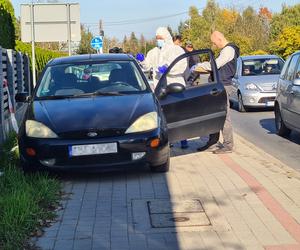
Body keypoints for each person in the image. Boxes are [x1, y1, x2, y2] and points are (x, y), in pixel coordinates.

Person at [192, 31, 240, 154]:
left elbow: (216, 65)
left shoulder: (228, 50)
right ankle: (213, 142)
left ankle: (228, 145)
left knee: (223, 117)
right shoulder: (225, 50)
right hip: (218, 86)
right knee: (215, 116)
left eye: (214, 42)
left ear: (219, 38)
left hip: (223, 86)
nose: (214, 45)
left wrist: (200, 66)